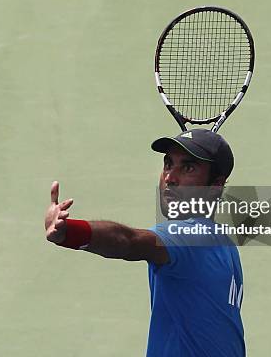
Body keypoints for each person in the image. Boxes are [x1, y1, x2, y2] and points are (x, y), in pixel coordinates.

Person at [44, 129, 245, 357]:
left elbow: (128, 241)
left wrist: (69, 233)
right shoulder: (226, 246)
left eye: (188, 168)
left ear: (215, 187)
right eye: (168, 164)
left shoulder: (188, 236)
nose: (170, 178)